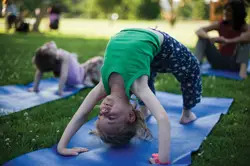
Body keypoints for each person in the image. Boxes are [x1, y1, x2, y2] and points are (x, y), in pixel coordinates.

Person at [57, 28, 202, 164]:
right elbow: (163, 119)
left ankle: (145, 109)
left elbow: (82, 114)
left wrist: (61, 147)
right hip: (159, 44)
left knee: (147, 71)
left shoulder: (102, 86)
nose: (103, 111)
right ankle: (187, 114)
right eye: (111, 117)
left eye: (100, 115)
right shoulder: (138, 86)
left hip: (136, 35)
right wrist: (162, 160)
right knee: (192, 69)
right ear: (131, 116)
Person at [195, 0, 250, 79]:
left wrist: (227, 41)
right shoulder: (220, 24)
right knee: (202, 39)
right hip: (219, 61)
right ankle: (195, 66)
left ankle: (242, 72)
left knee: (245, 42)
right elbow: (199, 31)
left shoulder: (244, 27)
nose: (225, 12)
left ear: (237, 13)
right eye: (225, 10)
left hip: (235, 63)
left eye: (229, 10)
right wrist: (210, 38)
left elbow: (248, 37)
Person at [29, 41, 103, 96]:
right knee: (98, 60)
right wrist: (60, 91)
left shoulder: (45, 62)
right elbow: (64, 75)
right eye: (48, 47)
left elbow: (39, 72)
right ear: (56, 56)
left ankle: (88, 77)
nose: (48, 44)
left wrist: (35, 88)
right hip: (79, 76)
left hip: (74, 76)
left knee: (76, 59)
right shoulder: (63, 56)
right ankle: (89, 78)